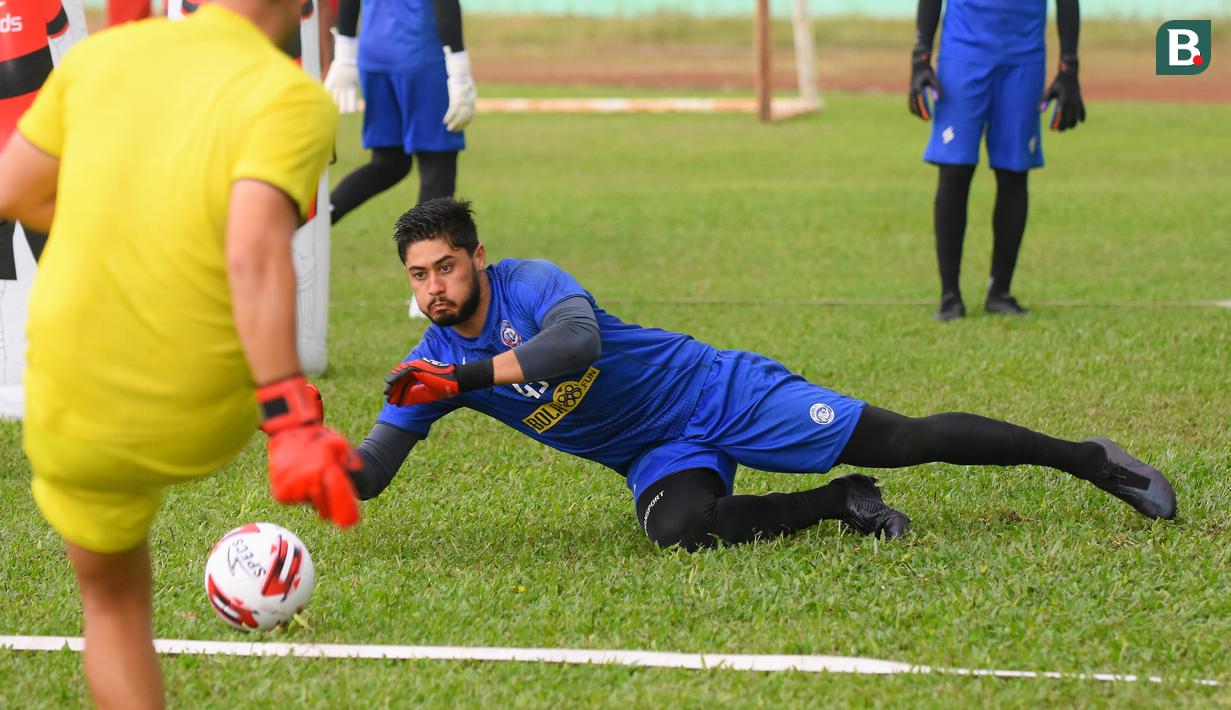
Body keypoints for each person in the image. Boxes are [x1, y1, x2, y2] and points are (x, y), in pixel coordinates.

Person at [349, 198, 1175, 553]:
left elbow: (577, 346)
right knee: (678, 532)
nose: (434, 288)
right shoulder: (426, 364)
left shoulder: (528, 285)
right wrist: (308, 446)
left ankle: (1091, 460)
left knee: (906, 439)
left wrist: (462, 383)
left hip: (712, 389)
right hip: (655, 453)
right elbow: (372, 474)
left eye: (446, 267)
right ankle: (836, 503)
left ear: (477, 258)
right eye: (419, 275)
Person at [0, 0, 364, 706]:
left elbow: (12, 191)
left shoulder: (99, 59)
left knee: (111, 604)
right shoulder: (288, 94)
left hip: (71, 406)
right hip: (202, 411)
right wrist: (291, 421)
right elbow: (254, 251)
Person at [909, 0, 1086, 321]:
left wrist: (1069, 68)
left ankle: (1000, 292)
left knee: (1014, 173)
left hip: (1024, 60)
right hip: (962, 57)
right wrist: (919, 60)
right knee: (955, 171)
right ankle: (950, 297)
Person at [323, 0, 474, 225]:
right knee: (436, 165)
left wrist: (345, 54)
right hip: (421, 55)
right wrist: (459, 69)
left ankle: (317, 217)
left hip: (373, 56)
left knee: (390, 162)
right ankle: (426, 257)